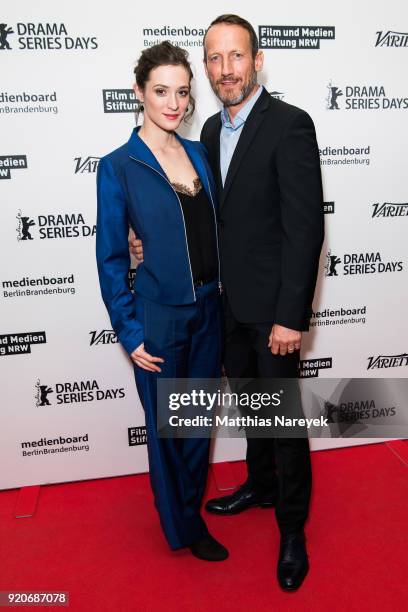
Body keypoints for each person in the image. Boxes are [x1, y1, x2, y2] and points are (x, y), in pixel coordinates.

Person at [131, 15, 324, 590]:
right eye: (213, 59)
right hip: (224, 311)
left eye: (235, 57)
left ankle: (292, 528)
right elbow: (201, 215)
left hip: (273, 315)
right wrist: (145, 240)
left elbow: (305, 228)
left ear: (257, 60)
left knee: (284, 420)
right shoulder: (210, 133)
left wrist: (291, 315)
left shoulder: (290, 125)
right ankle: (259, 485)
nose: (224, 70)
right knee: (253, 410)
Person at [96, 41, 228, 562]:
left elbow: (212, 227)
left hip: (209, 309)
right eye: (161, 92)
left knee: (196, 427)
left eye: (182, 93)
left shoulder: (199, 153)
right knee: (167, 432)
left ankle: (191, 511)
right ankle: (182, 527)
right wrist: (129, 331)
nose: (174, 104)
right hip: (159, 317)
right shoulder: (118, 166)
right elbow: (111, 257)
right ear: (139, 93)